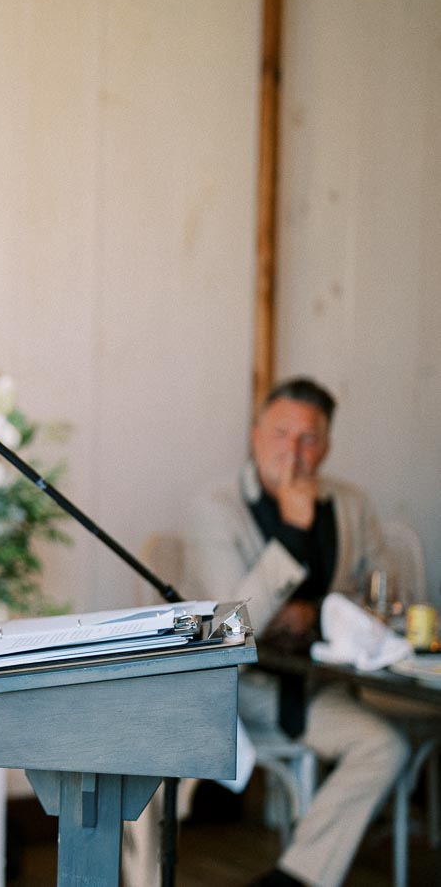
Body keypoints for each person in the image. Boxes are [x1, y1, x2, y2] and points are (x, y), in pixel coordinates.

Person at [185, 376, 408, 887]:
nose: (294, 450)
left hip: (323, 684)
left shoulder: (350, 504)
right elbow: (229, 631)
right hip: (243, 691)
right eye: (281, 433)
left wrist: (323, 610)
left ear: (326, 446)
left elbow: (380, 592)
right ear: (256, 433)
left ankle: (294, 877)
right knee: (383, 744)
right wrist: (291, 530)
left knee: (387, 745)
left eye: (309, 438)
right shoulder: (214, 509)